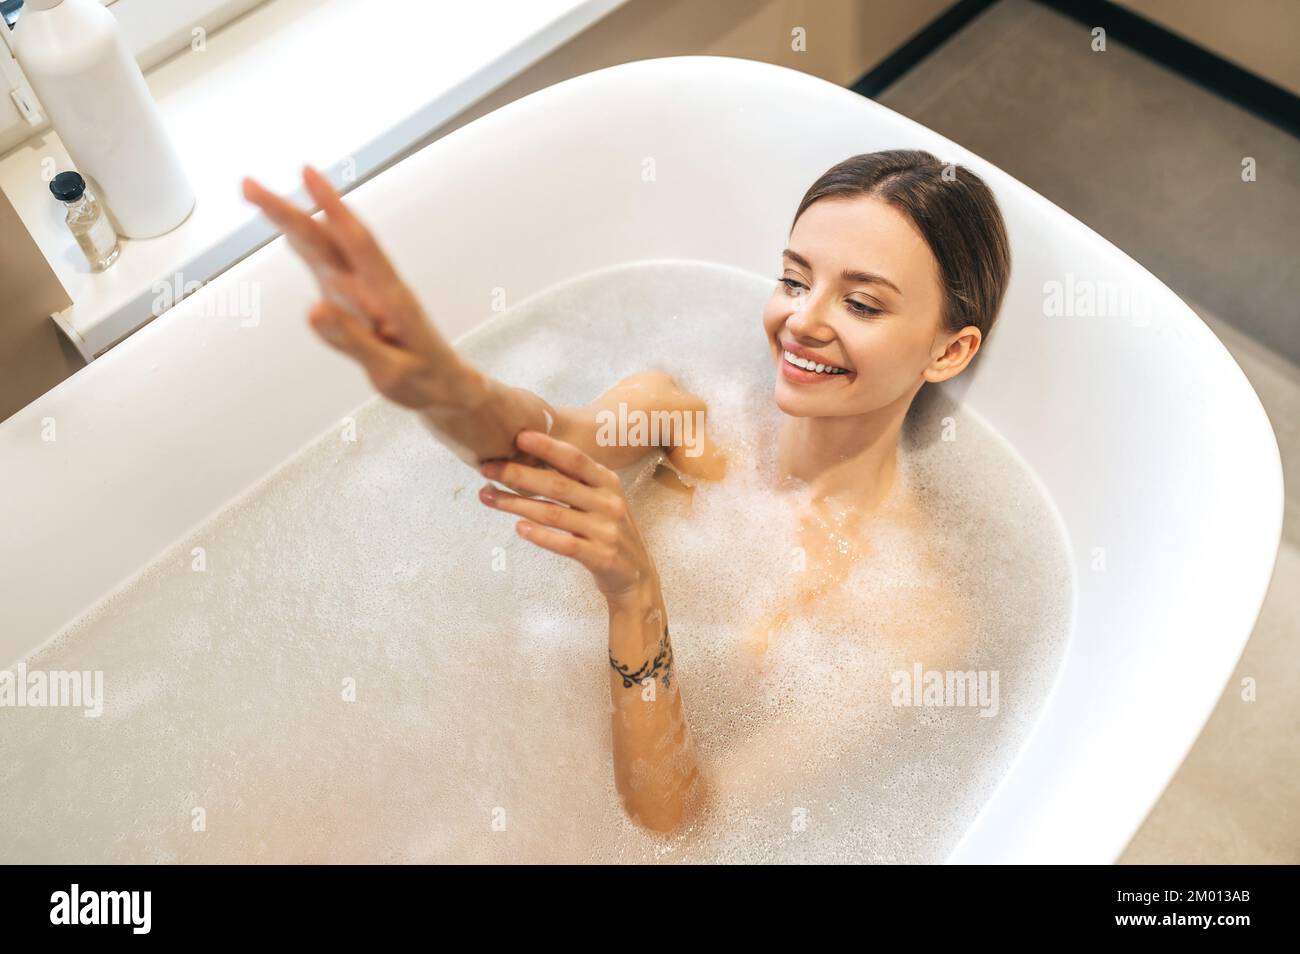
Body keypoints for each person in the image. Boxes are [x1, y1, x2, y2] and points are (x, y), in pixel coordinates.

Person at [241, 148, 1011, 835]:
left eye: (862, 303)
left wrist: (635, 595)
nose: (801, 321)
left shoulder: (914, 621)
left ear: (949, 350)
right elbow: (534, 439)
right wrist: (441, 379)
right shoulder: (686, 417)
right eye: (792, 279)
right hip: (451, 740)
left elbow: (678, 822)